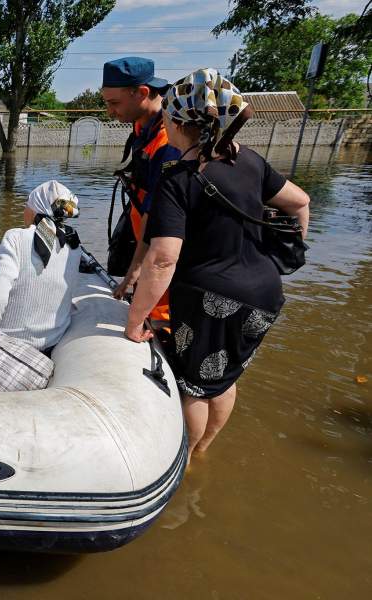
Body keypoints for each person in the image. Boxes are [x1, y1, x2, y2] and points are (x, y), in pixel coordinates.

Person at [123, 69, 310, 462]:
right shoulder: (252, 163)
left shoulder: (179, 180)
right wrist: (278, 257)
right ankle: (206, 449)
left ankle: (188, 457)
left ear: (176, 123)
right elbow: (300, 203)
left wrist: (135, 319)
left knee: (194, 385)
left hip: (210, 299)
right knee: (224, 377)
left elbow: (163, 257)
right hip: (265, 294)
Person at [101, 57, 181, 322]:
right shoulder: (142, 124)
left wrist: (136, 269)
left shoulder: (168, 142)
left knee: (158, 313)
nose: (110, 112)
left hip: (159, 243)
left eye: (114, 103)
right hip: (141, 232)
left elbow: (158, 214)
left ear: (142, 93)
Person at [0, 181, 82, 352]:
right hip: (51, 343)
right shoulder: (74, 246)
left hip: (8, 343)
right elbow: (44, 281)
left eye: (27, 205)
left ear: (35, 208)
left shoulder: (15, 238)